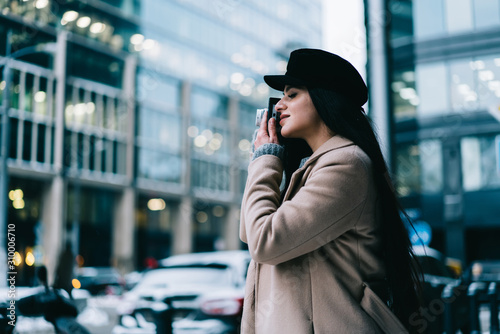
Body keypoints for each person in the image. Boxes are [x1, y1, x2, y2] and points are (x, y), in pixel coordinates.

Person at [239, 48, 422, 333]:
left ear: (325, 99)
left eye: (292, 94)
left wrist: (266, 158)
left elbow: (265, 242)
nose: (278, 106)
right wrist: (269, 160)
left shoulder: (345, 165)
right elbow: (249, 233)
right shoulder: (309, 168)